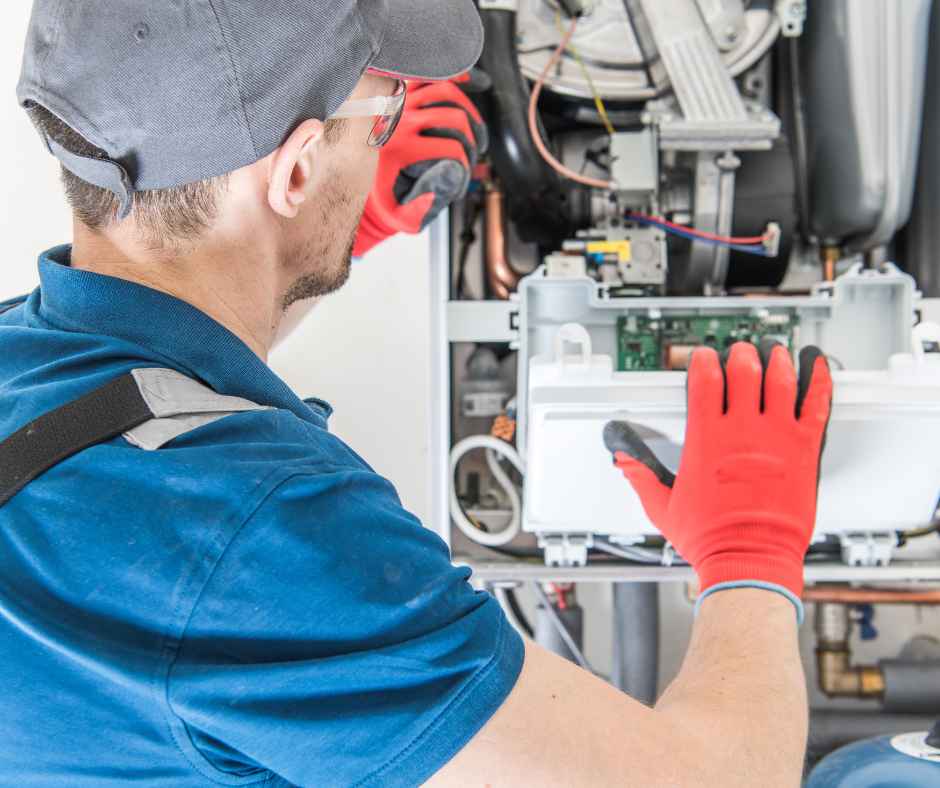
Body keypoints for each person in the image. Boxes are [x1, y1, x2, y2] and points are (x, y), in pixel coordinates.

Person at [0, 1, 832, 786]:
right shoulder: (263, 539)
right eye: (383, 117)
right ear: (294, 171)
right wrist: (752, 553)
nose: (388, 142)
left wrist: (321, 241)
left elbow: (160, 380)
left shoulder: (24, 357)